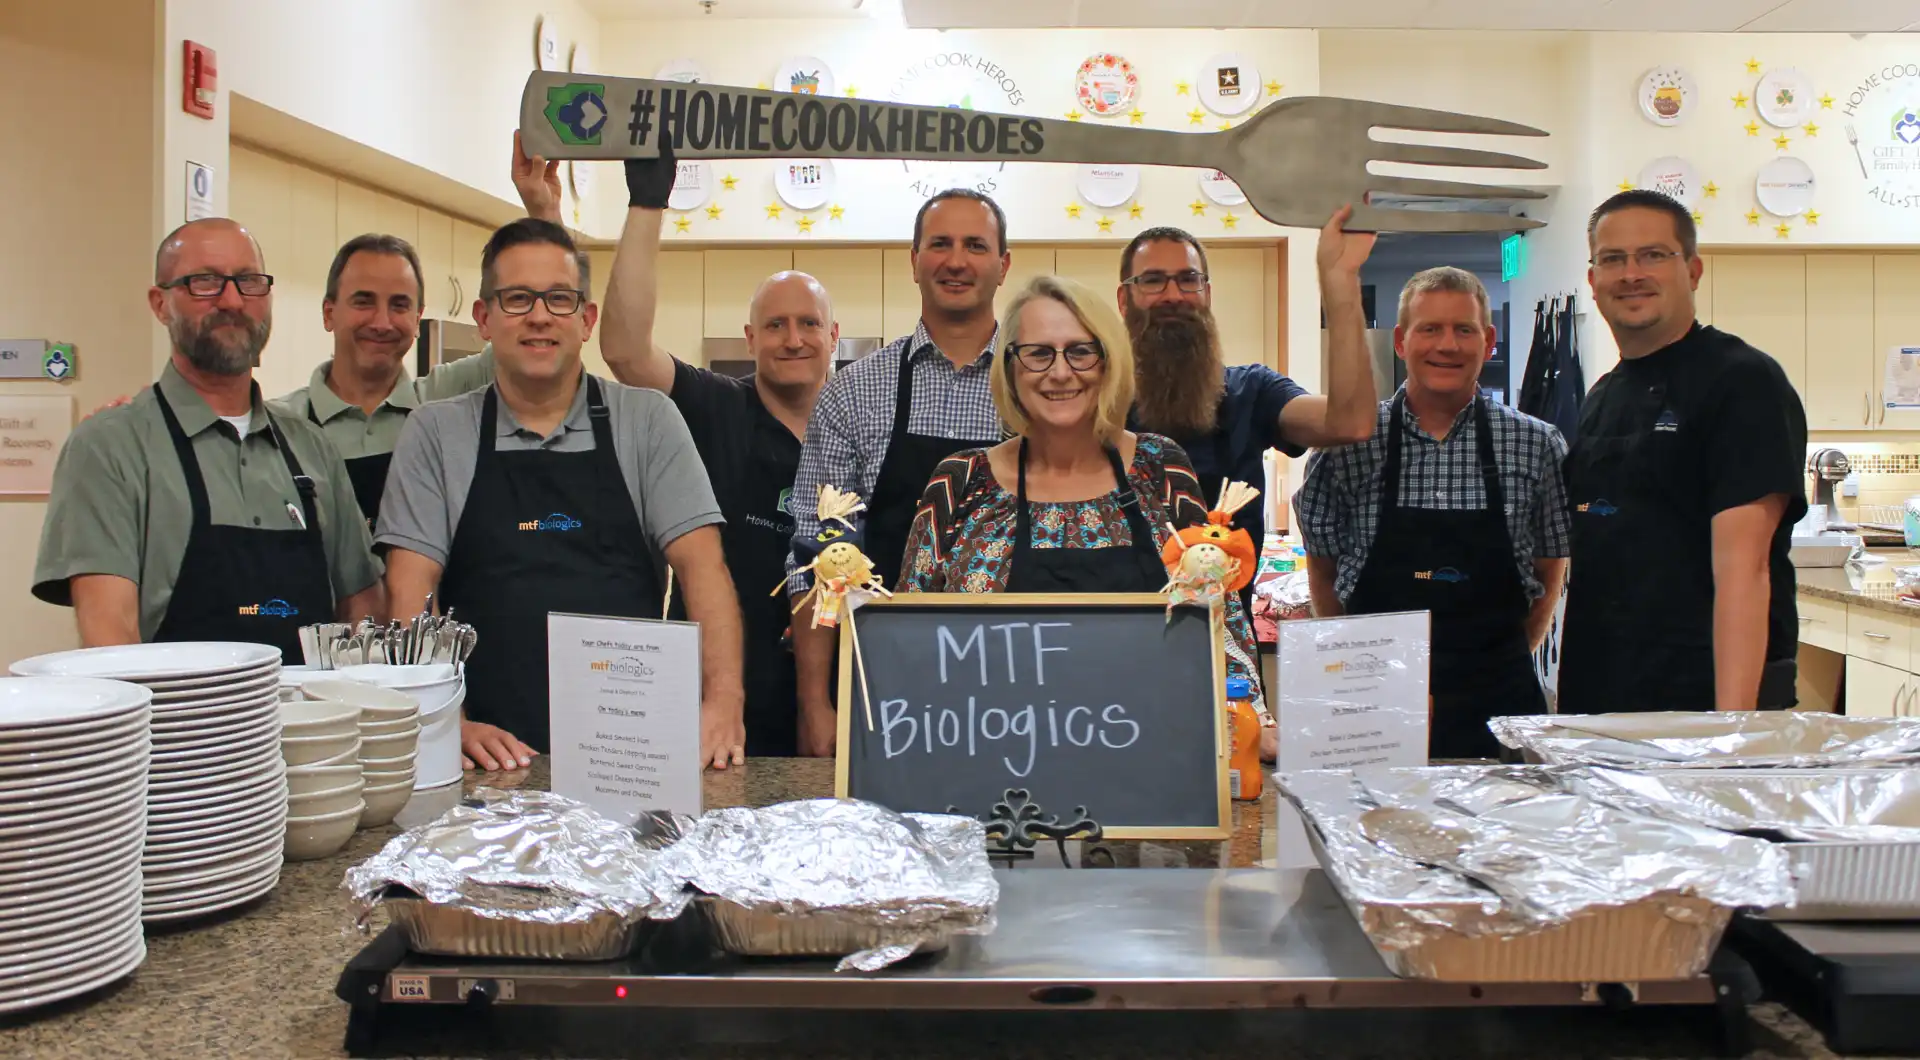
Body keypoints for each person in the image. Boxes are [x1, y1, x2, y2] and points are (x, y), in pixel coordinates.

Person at [375, 218, 746, 771]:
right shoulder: (435, 432)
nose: (540, 316)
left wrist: (722, 703)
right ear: (484, 318)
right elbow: (409, 592)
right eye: (518, 298)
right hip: (488, 761)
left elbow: (704, 571)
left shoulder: (646, 421)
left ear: (587, 319)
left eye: (559, 299)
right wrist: (441, 721)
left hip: (630, 754)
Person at [899, 275, 1277, 759]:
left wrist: (1254, 722)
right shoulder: (962, 481)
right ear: (1011, 368)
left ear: (1109, 362)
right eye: (1038, 353)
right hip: (990, 769)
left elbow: (1216, 610)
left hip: (1152, 766)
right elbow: (907, 640)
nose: (1060, 372)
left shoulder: (1161, 467)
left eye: (1081, 351)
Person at [32, 218, 383, 661]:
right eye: (205, 282)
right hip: (174, 726)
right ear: (160, 304)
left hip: (309, 725)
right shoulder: (109, 447)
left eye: (249, 281)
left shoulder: (312, 447)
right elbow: (109, 636)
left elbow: (362, 607)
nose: (232, 300)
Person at [594, 151, 836, 757]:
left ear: (834, 336)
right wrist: (648, 206)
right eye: (775, 325)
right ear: (750, 338)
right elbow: (625, 351)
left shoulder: (860, 427)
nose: (794, 338)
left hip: (832, 695)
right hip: (714, 696)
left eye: (808, 323)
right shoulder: (714, 405)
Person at [1294, 267, 1571, 758]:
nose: (1448, 345)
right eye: (1430, 329)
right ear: (1401, 341)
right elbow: (1323, 567)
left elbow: (1549, 569)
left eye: (1464, 329)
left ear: (1488, 342)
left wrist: (1507, 655)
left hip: (1500, 701)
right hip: (1372, 704)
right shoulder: (1348, 443)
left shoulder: (1537, 444)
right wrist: (1356, 667)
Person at [1561, 190, 1808, 713]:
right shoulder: (1603, 395)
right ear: (1593, 280)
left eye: (1653, 255)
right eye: (1613, 259)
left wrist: (1728, 735)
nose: (1631, 273)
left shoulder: (1742, 381)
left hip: (1703, 700)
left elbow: (1746, 570)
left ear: (1693, 271)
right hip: (1605, 694)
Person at [785, 189, 1011, 757]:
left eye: (975, 245)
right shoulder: (854, 393)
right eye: (939, 244)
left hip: (1020, 675)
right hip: (881, 687)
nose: (955, 261)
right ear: (913, 260)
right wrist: (817, 704)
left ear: (1003, 266)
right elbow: (817, 558)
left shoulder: (1042, 384)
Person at [1119, 214, 1379, 573]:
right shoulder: (1094, 402)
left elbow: (1350, 422)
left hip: (1227, 628)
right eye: (1152, 281)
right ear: (1124, 299)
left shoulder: (1252, 391)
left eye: (1188, 279)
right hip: (1115, 625)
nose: (1173, 295)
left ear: (1207, 293)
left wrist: (1341, 281)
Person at [270, 235, 491, 528]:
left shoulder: (443, 401)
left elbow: (527, 344)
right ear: (328, 313)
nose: (382, 323)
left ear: (417, 320)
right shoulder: (279, 427)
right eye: (364, 302)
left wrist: (545, 211)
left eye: (399, 305)